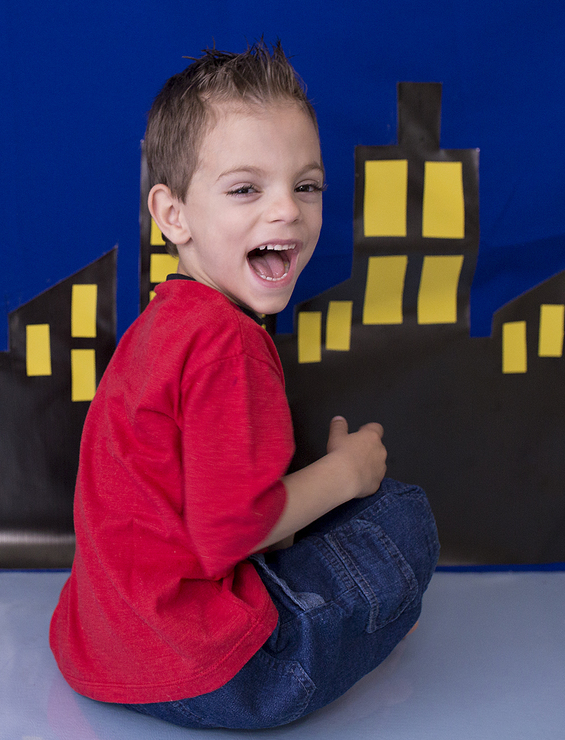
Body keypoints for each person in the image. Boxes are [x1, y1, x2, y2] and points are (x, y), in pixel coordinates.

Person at [49, 41, 440, 729]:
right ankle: (364, 628)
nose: (287, 211)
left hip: (98, 646)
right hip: (222, 675)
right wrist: (344, 476)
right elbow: (233, 533)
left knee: (322, 519)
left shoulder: (164, 323)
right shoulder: (229, 342)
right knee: (401, 517)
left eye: (307, 185)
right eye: (245, 189)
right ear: (173, 216)